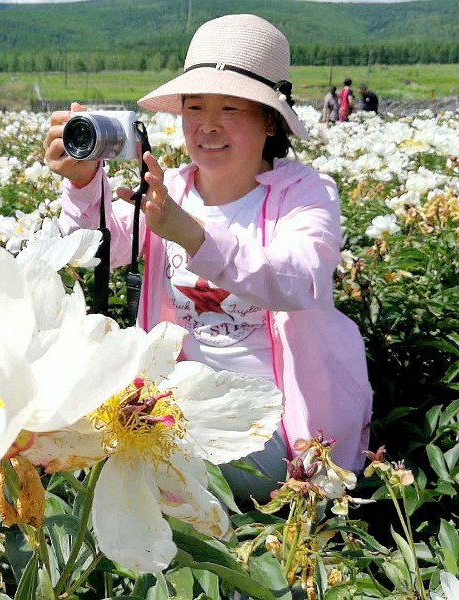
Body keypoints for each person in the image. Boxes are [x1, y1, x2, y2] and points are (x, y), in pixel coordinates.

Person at [43, 14, 372, 501]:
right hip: (175, 406)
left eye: (231, 108)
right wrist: (82, 183)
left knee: (128, 465)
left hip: (277, 423)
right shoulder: (171, 188)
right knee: (53, 433)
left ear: (270, 120)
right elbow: (99, 246)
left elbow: (301, 278)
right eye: (194, 106)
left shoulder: (304, 193)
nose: (208, 124)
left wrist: (193, 235)